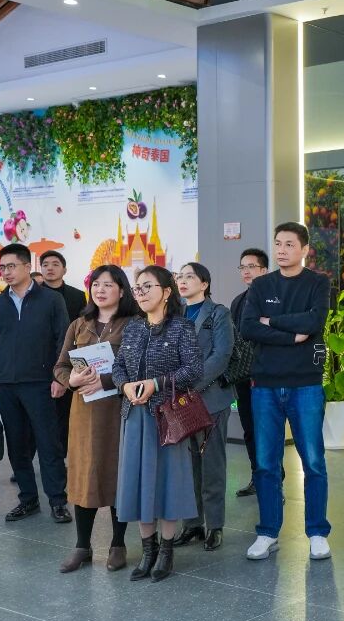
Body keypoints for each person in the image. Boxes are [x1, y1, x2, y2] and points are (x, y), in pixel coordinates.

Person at [240, 223, 331, 561]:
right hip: (264, 384)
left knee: (314, 462)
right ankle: (267, 532)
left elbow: (314, 323)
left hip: (305, 384)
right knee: (266, 463)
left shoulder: (318, 283)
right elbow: (248, 327)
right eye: (277, 243)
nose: (281, 249)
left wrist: (272, 321)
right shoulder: (261, 284)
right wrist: (291, 335)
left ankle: (317, 532)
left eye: (289, 244)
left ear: (304, 249)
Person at [112, 265, 202, 582]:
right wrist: (124, 385)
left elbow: (194, 370)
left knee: (168, 484)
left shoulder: (182, 328)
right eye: (137, 288)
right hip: (134, 417)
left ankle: (166, 550)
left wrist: (156, 383)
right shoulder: (133, 328)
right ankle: (147, 550)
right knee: (137, 483)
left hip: (167, 419)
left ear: (166, 292)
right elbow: (118, 366)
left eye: (147, 286)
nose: (140, 293)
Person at [52, 265, 140, 573]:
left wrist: (103, 381)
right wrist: (71, 380)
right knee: (83, 475)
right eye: (96, 284)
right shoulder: (79, 324)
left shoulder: (134, 324)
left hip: (119, 410)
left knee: (116, 473)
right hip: (84, 412)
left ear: (122, 290)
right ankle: (82, 546)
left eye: (108, 284)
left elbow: (138, 368)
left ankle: (118, 543)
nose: (100, 290)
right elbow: (60, 366)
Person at [0, 243, 72, 523]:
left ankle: (58, 501)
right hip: (7, 385)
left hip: (41, 384)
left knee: (49, 444)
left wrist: (60, 377)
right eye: (2, 267)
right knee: (17, 446)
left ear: (26, 266)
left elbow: (63, 340)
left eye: (11, 266)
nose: (6, 272)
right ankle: (28, 499)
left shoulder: (51, 300)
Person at [171, 262, 235, 552]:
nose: (183, 281)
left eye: (189, 277)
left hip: (211, 399)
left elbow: (221, 356)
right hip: (180, 401)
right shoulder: (175, 315)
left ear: (204, 283)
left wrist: (189, 384)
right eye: (180, 277)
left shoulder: (219, 313)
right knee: (187, 466)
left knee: (212, 464)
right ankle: (192, 524)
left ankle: (215, 525)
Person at [41, 250, 86, 466]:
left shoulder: (77, 296)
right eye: (45, 264)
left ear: (64, 269)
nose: (50, 268)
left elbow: (82, 332)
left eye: (55, 264)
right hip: (39, 362)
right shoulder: (32, 295)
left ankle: (61, 460)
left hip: (67, 362)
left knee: (63, 415)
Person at [230, 248, 267, 497]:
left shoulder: (273, 298)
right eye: (242, 267)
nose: (246, 271)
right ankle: (257, 477)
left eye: (251, 266)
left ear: (264, 270)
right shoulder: (238, 301)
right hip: (243, 375)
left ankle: (274, 481)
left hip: (267, 375)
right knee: (250, 430)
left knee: (267, 431)